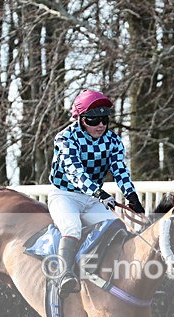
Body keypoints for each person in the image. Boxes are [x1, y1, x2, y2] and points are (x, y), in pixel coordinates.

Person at [47, 89, 145, 296]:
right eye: (93, 120)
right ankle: (64, 275)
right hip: (65, 195)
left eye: (104, 120)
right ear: (81, 119)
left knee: (116, 226)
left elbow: (120, 170)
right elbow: (75, 172)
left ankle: (117, 279)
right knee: (72, 228)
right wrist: (98, 192)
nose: (100, 125)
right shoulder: (65, 138)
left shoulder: (113, 141)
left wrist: (131, 195)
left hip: (91, 198)